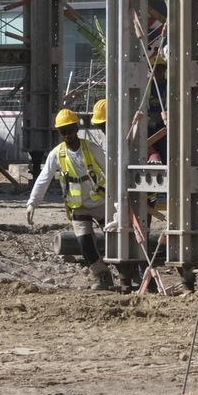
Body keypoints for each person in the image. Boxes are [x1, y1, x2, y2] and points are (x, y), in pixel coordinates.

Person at [26, 108, 116, 290]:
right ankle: (102, 277)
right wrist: (32, 202)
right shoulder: (57, 154)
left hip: (100, 203)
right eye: (63, 132)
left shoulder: (91, 148)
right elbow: (44, 178)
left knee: (115, 240)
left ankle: (127, 274)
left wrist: (118, 203)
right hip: (78, 206)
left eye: (70, 130)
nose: (68, 135)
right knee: (84, 243)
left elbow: (111, 171)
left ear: (77, 128)